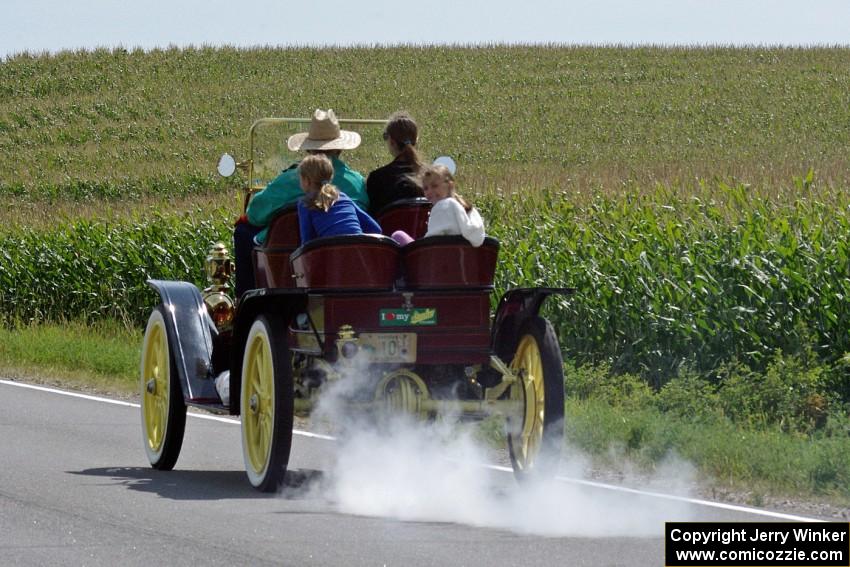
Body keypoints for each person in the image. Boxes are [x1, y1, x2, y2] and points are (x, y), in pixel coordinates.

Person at [233, 109, 368, 297]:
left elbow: (255, 214)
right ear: (340, 149)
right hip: (350, 261)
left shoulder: (293, 179)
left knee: (242, 232)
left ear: (309, 149)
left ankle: (245, 299)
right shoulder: (357, 182)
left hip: (299, 261)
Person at [391, 163, 485, 247]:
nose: (430, 192)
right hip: (463, 260)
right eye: (426, 188)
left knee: (398, 235)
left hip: (438, 260)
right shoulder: (469, 209)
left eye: (435, 186)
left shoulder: (443, 206)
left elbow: (431, 243)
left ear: (450, 185)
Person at [296, 154, 381, 243]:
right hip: (359, 251)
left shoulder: (305, 203)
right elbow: (375, 228)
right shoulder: (343, 197)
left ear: (306, 180)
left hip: (332, 254)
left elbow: (307, 242)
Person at [366, 111, 425, 215]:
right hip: (422, 231)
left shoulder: (376, 178)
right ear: (416, 140)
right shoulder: (430, 176)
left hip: (388, 231)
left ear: (392, 141)